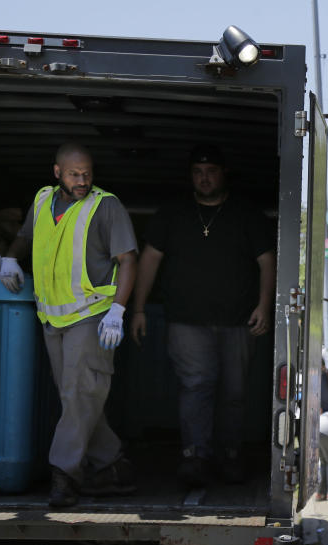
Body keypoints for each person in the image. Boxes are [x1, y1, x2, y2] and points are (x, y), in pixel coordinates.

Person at [129, 143, 276, 488]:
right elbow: (148, 260)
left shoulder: (245, 212)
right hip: (186, 321)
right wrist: (137, 308)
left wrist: (264, 306)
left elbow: (267, 260)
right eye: (197, 172)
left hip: (238, 320)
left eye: (210, 172)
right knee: (196, 387)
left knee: (234, 392)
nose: (204, 178)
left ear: (224, 173)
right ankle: (195, 457)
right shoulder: (173, 213)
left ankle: (230, 456)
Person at [0, 142, 137, 508]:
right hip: (52, 316)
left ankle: (64, 475)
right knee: (75, 398)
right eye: (75, 174)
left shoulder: (105, 205)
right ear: (57, 172)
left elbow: (128, 260)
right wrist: (9, 258)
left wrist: (118, 311)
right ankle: (112, 464)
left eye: (88, 173)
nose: (83, 180)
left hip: (92, 315)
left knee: (79, 395)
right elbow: (27, 236)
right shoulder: (44, 200)